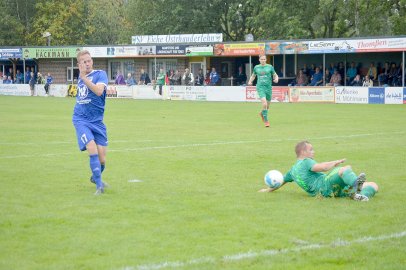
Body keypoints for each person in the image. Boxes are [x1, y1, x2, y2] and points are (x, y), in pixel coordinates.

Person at [259, 141, 378, 202]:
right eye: (311, 150)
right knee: (345, 169)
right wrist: (335, 162)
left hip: (330, 193)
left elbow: (280, 182)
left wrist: (267, 190)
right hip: (325, 186)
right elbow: (322, 167)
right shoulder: (305, 161)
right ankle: (356, 186)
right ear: (303, 152)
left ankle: (357, 195)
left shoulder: (292, 171)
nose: (313, 152)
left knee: (373, 185)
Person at [72, 50, 109, 195]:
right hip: (81, 119)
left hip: (97, 121)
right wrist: (82, 77)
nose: (87, 64)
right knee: (92, 148)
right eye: (84, 62)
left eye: (89, 60)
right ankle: (99, 186)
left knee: (102, 158)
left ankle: (95, 177)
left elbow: (99, 91)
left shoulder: (100, 74)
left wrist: (84, 78)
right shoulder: (81, 77)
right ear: (79, 64)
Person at [248, 55, 279, 128]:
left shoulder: (270, 67)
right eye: (261, 59)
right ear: (259, 60)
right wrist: (250, 81)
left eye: (264, 59)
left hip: (268, 88)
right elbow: (253, 75)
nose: (263, 60)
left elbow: (275, 75)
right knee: (264, 104)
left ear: (266, 60)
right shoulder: (256, 67)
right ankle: (266, 121)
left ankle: (262, 113)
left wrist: (276, 79)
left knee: (267, 106)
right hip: (260, 87)